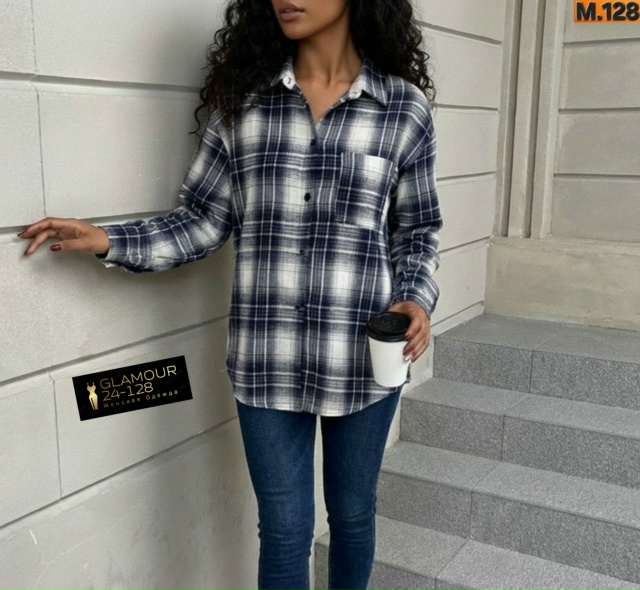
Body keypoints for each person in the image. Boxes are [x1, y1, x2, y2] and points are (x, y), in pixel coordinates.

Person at [17, 0, 443, 588]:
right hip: (265, 358)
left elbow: (416, 230)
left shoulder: (403, 109)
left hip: (364, 358)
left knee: (351, 516)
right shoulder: (241, 105)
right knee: (285, 532)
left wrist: (415, 298)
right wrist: (109, 240)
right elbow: (201, 221)